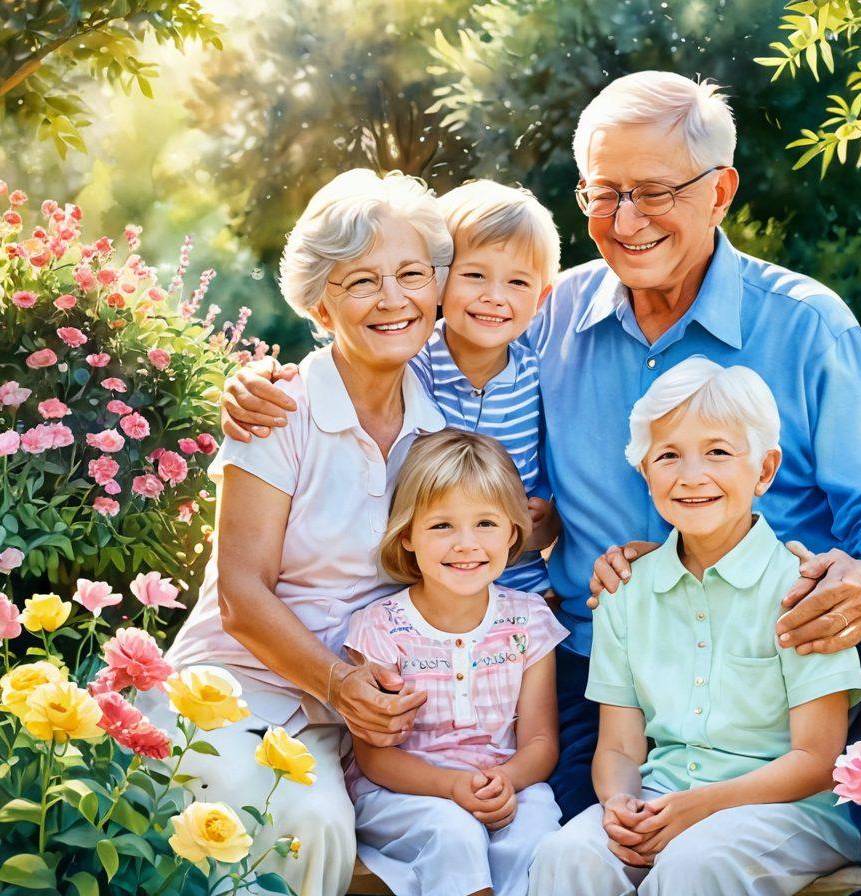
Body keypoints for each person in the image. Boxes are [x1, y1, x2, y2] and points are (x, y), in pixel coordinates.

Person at [219, 73, 861, 894]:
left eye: (655, 192)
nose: (628, 220)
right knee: (565, 851)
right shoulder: (547, 314)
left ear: (720, 191)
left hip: (776, 643)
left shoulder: (804, 323)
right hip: (596, 655)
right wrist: (267, 381)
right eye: (606, 194)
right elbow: (396, 328)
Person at [150, 169, 455, 895]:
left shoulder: (438, 427)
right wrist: (340, 683)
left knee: (346, 825)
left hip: (343, 723)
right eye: (361, 282)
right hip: (227, 696)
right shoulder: (277, 412)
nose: (393, 299)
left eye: (412, 274)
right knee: (302, 824)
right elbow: (240, 596)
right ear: (321, 304)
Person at [529, 358, 861, 895]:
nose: (691, 476)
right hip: (664, 794)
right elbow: (618, 748)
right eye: (668, 456)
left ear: (764, 470)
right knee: (566, 854)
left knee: (692, 866)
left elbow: (817, 759)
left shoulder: (802, 591)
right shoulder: (624, 591)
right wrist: (618, 803)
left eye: (718, 452)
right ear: (645, 472)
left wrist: (698, 806)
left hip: (790, 808)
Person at [345, 429, 568, 896]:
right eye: (442, 526)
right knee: (455, 833)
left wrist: (505, 780)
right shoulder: (381, 627)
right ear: (407, 535)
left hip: (507, 783)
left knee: (541, 834)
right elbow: (374, 756)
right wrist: (451, 788)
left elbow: (542, 740)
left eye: (486, 524)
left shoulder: (528, 620)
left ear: (512, 532)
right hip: (404, 791)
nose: (466, 544)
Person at [409, 180, 563, 595]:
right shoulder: (413, 366)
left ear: (541, 298)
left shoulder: (537, 378)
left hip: (519, 584)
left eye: (517, 283)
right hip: (425, 587)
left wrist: (547, 516)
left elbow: (547, 471)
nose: (495, 297)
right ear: (439, 280)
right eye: (475, 275)